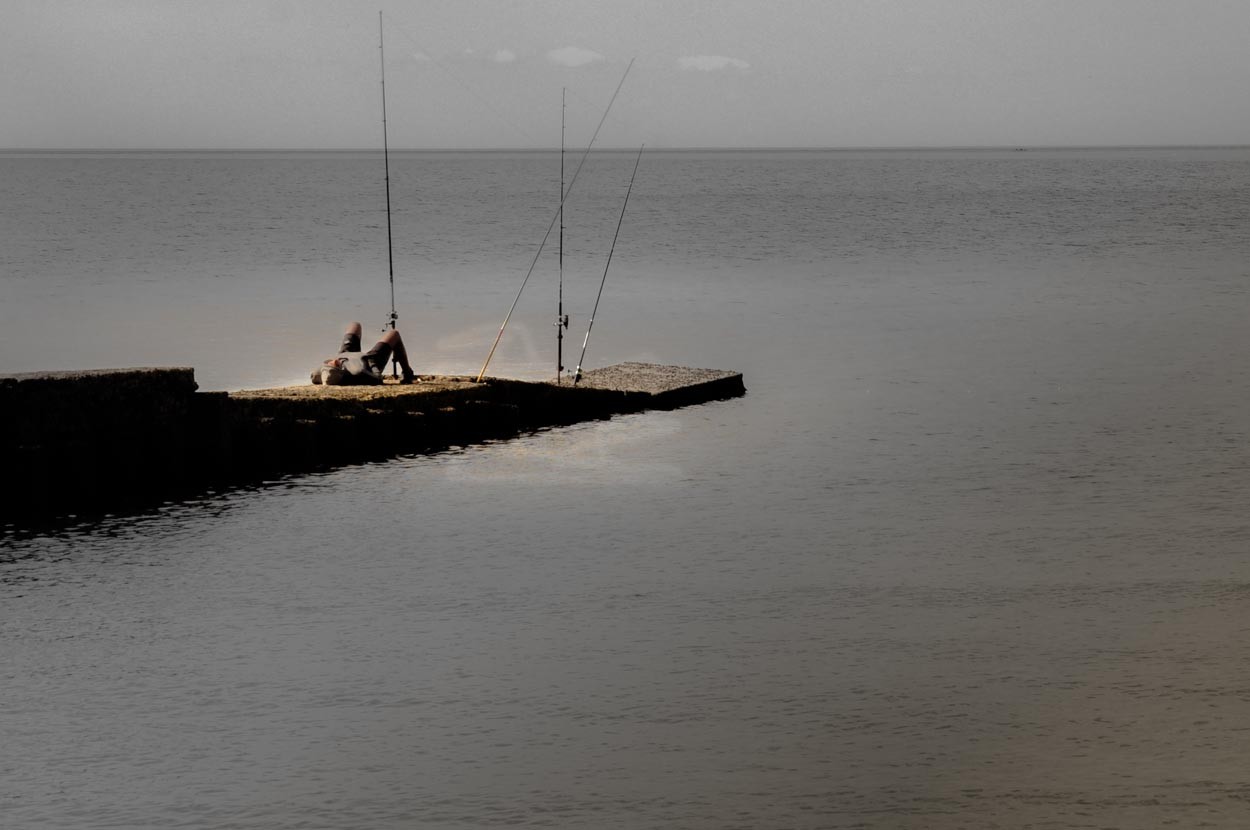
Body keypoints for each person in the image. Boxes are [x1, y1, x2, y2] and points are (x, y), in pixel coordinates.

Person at [311, 322, 417, 385]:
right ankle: (407, 373)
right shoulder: (357, 371)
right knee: (394, 334)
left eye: (329, 363)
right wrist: (372, 364)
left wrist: (337, 361)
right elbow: (378, 378)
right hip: (370, 360)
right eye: (335, 364)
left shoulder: (319, 373)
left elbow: (315, 377)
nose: (333, 360)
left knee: (354, 325)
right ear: (340, 371)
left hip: (346, 353)